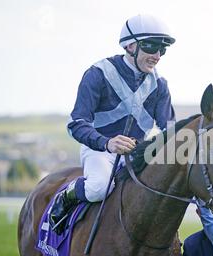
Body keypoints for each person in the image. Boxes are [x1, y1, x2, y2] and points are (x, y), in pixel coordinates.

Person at [49, 14, 176, 234]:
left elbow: (170, 130)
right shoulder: (97, 74)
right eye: (151, 46)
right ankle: (69, 194)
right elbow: (76, 123)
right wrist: (107, 143)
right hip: (99, 151)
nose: (157, 55)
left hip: (136, 157)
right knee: (99, 188)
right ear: (130, 45)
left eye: (162, 50)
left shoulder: (160, 85)